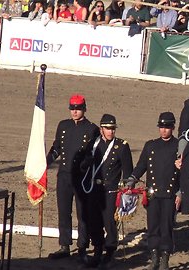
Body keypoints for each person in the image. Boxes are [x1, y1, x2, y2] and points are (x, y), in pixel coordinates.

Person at [46, 95, 99, 261]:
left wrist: (85, 165)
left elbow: (93, 154)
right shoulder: (63, 126)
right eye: (72, 108)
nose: (75, 111)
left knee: (82, 213)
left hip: (81, 178)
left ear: (84, 109)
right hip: (63, 175)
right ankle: (64, 245)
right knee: (64, 211)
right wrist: (45, 162)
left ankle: (82, 246)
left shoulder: (92, 129)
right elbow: (57, 148)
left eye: (78, 108)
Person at [80, 114, 133, 268]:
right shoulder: (93, 144)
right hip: (93, 189)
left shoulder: (122, 146)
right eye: (107, 128)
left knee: (109, 222)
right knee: (94, 221)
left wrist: (127, 188)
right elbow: (83, 167)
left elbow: (128, 171)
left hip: (110, 190)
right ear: (101, 129)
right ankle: (97, 251)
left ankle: (109, 253)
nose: (110, 132)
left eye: (113, 129)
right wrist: (86, 163)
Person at [129, 112, 180, 270]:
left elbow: (185, 173)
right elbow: (141, 166)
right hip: (152, 195)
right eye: (161, 127)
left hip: (169, 195)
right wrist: (132, 179)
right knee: (152, 227)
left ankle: (164, 258)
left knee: (166, 227)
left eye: (167, 127)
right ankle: (154, 258)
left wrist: (180, 193)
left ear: (172, 127)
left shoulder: (179, 146)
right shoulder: (150, 145)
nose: (164, 130)